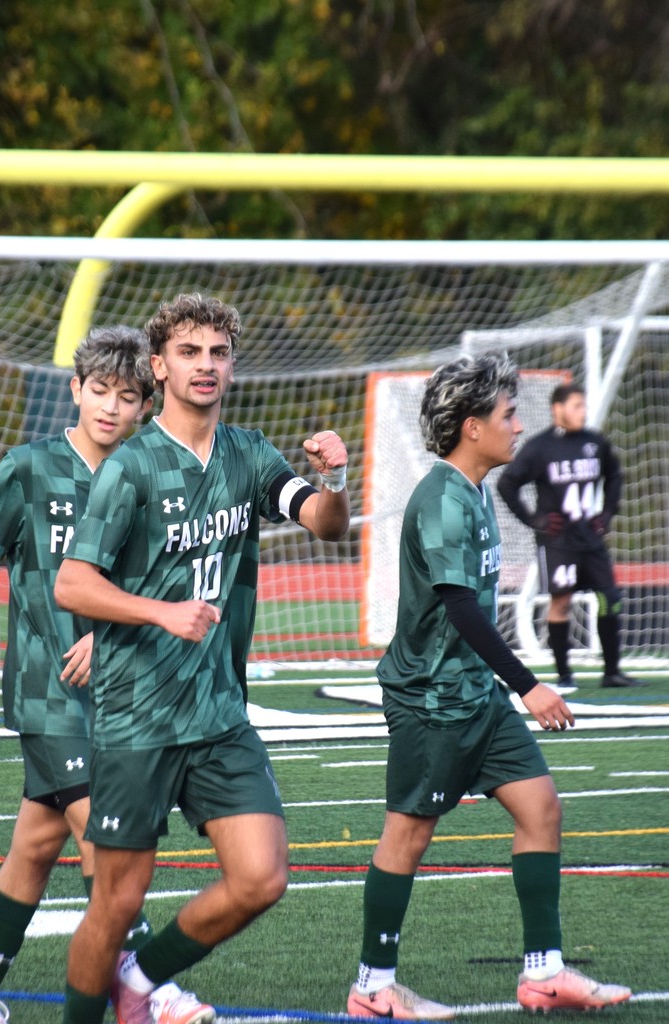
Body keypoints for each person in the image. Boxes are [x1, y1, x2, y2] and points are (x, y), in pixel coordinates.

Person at [53, 293, 350, 1024]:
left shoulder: (249, 455)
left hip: (218, 712)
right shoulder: (131, 468)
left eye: (218, 352)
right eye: (189, 352)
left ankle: (140, 981)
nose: (206, 365)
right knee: (117, 900)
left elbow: (323, 524)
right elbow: (73, 582)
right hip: (137, 718)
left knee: (262, 876)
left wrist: (336, 478)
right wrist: (160, 612)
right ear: (159, 366)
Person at [0, 326, 209, 1024]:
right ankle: (151, 986)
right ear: (75, 390)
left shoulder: (148, 473)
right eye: (100, 391)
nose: (112, 407)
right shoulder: (31, 467)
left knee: (36, 846)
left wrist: (115, 635)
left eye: (129, 396)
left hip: (117, 696)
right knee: (107, 841)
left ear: (146, 404)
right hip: (46, 694)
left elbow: (155, 583)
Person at [346, 353, 632, 1020]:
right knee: (407, 837)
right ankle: (372, 985)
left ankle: (544, 973)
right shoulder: (442, 498)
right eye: (508, 415)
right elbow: (461, 608)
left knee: (542, 810)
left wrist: (507, 691)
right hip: (432, 702)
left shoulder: (474, 489)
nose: (517, 426)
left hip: (478, 696)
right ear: (472, 427)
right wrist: (531, 685)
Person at [496, 382, 644, 689]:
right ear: (558, 409)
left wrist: (607, 514)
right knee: (561, 602)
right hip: (558, 542)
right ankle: (564, 675)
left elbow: (614, 475)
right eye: (576, 406)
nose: (582, 411)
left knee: (610, 598)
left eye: (583, 405)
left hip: (591, 540)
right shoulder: (540, 447)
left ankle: (612, 672)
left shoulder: (594, 443)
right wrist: (533, 519)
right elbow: (507, 484)